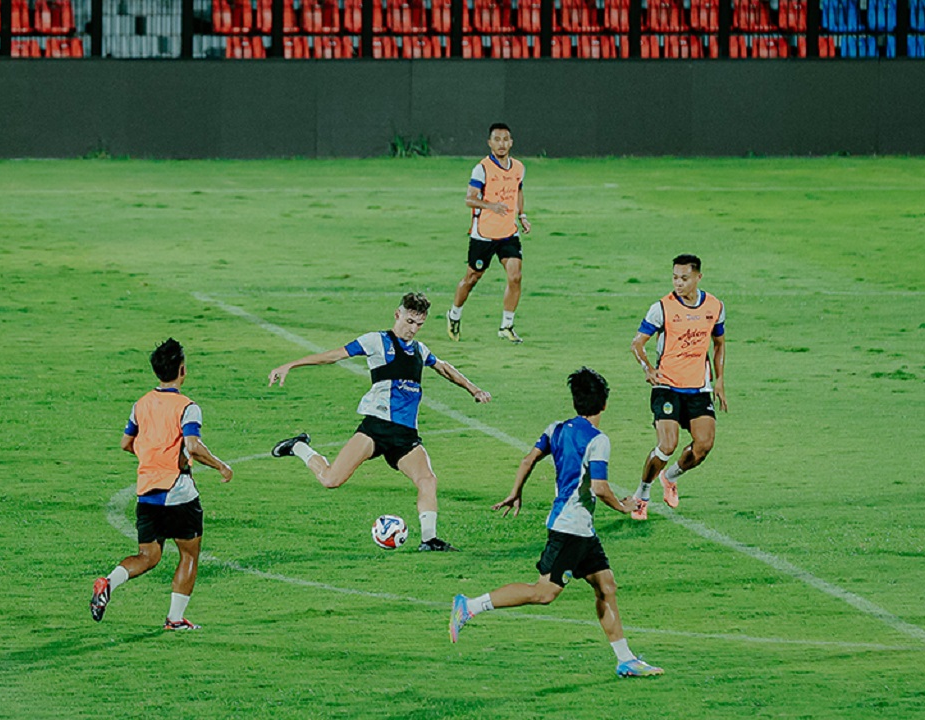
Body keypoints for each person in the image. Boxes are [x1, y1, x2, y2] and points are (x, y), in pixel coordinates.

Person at [448, 368, 663, 678]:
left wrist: (515, 492)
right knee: (544, 593)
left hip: (580, 529)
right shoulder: (598, 441)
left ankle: (625, 659)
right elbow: (601, 488)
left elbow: (528, 459)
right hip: (569, 528)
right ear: (603, 404)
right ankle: (469, 606)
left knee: (606, 586)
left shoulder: (556, 429)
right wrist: (624, 507)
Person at [268, 292, 491, 552]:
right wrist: (291, 365)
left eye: (419, 324)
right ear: (398, 315)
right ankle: (298, 447)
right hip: (377, 428)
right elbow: (334, 355)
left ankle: (429, 540)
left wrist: (473, 389)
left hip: (406, 436)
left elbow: (443, 367)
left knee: (428, 480)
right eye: (409, 322)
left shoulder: (420, 350)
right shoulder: (376, 341)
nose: (413, 329)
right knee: (331, 480)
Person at [90, 338, 234, 630]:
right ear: (182, 370)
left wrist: (151, 456)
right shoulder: (187, 407)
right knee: (189, 553)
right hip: (178, 491)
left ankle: (108, 582)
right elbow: (192, 445)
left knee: (148, 556)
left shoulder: (140, 404)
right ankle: (175, 619)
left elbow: (125, 443)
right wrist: (220, 465)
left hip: (147, 491)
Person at [627, 254, 727, 521]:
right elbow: (637, 343)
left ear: (697, 277)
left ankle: (669, 477)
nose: (678, 283)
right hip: (667, 386)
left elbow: (719, 344)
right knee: (667, 445)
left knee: (704, 446)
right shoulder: (661, 308)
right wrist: (648, 369)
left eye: (684, 278)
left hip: (699, 387)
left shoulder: (715, 306)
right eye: (674, 277)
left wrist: (719, 381)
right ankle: (642, 495)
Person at [446, 122, 531, 344]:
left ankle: (507, 325)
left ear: (511, 142)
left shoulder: (519, 168)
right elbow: (469, 199)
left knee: (515, 275)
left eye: (505, 140)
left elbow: (518, 191)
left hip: (508, 232)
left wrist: (522, 216)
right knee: (472, 278)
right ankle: (454, 314)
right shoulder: (481, 169)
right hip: (483, 233)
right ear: (489, 143)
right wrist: (490, 205)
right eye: (497, 139)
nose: (501, 144)